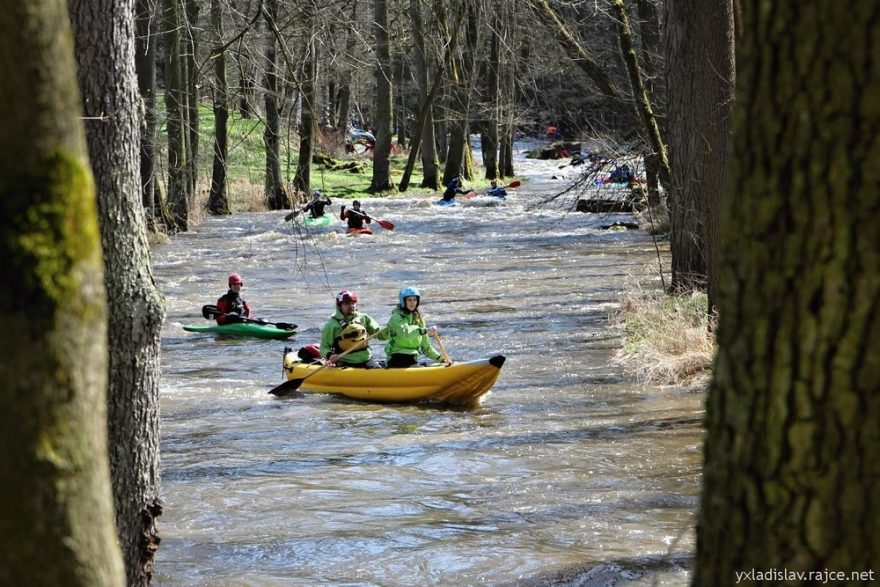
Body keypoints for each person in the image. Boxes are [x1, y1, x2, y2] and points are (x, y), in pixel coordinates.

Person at [384, 286, 448, 368]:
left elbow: (426, 347)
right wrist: (424, 331)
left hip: (412, 358)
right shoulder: (396, 317)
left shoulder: (418, 319)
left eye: (414, 300)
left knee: (424, 364)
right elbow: (406, 333)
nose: (412, 303)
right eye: (409, 300)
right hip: (396, 357)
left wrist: (441, 359)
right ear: (403, 301)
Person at [320, 290, 385, 368]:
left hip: (366, 359)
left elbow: (379, 333)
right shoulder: (332, 325)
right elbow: (324, 346)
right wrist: (330, 355)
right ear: (339, 306)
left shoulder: (363, 318)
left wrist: (391, 330)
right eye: (347, 303)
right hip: (345, 362)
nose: (351, 306)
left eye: (353, 303)